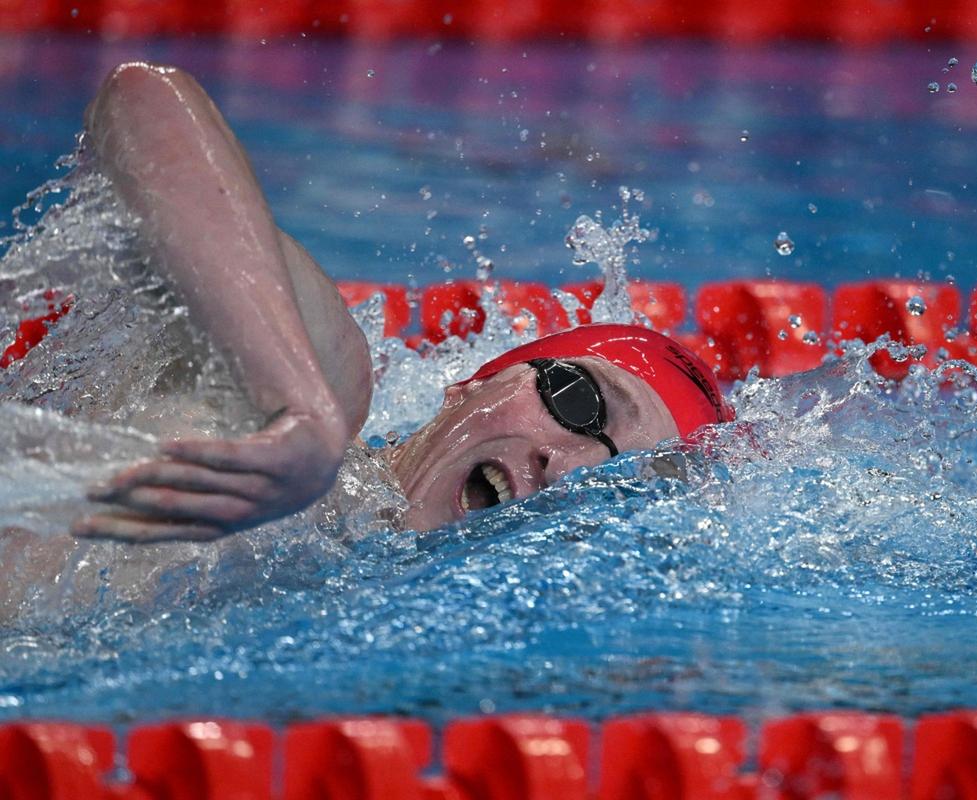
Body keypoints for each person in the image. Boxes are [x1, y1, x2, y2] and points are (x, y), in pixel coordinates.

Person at [59, 61, 733, 541]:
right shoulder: (316, 392)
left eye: (622, 486)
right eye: (579, 402)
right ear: (470, 384)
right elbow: (142, 100)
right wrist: (301, 414)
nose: (569, 469)